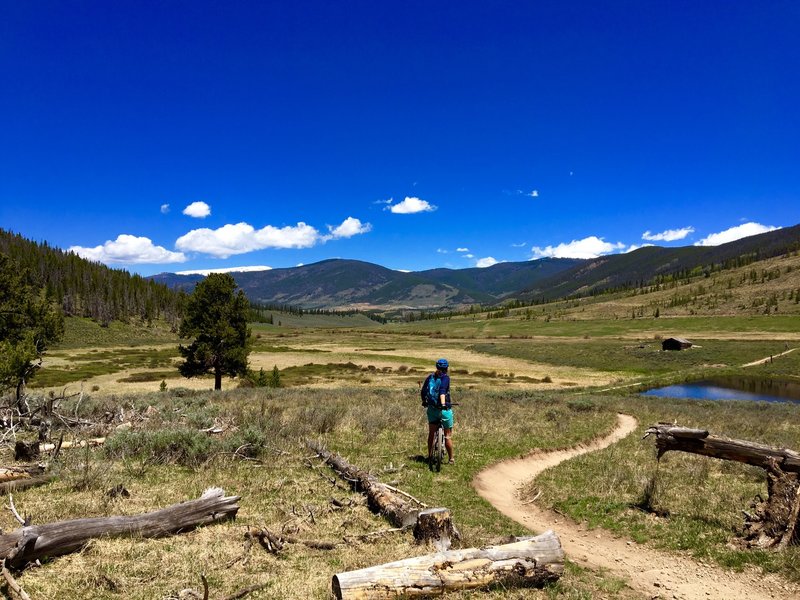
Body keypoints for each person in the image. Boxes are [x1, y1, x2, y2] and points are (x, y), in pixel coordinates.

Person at [425, 358, 454, 464]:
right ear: (446, 368)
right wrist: (443, 404)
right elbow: (442, 391)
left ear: (437, 367)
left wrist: (424, 401)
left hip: (432, 409)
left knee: (431, 433)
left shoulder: (430, 377)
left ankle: (429, 456)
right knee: (447, 435)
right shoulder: (445, 378)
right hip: (444, 409)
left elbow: (423, 391)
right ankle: (451, 459)